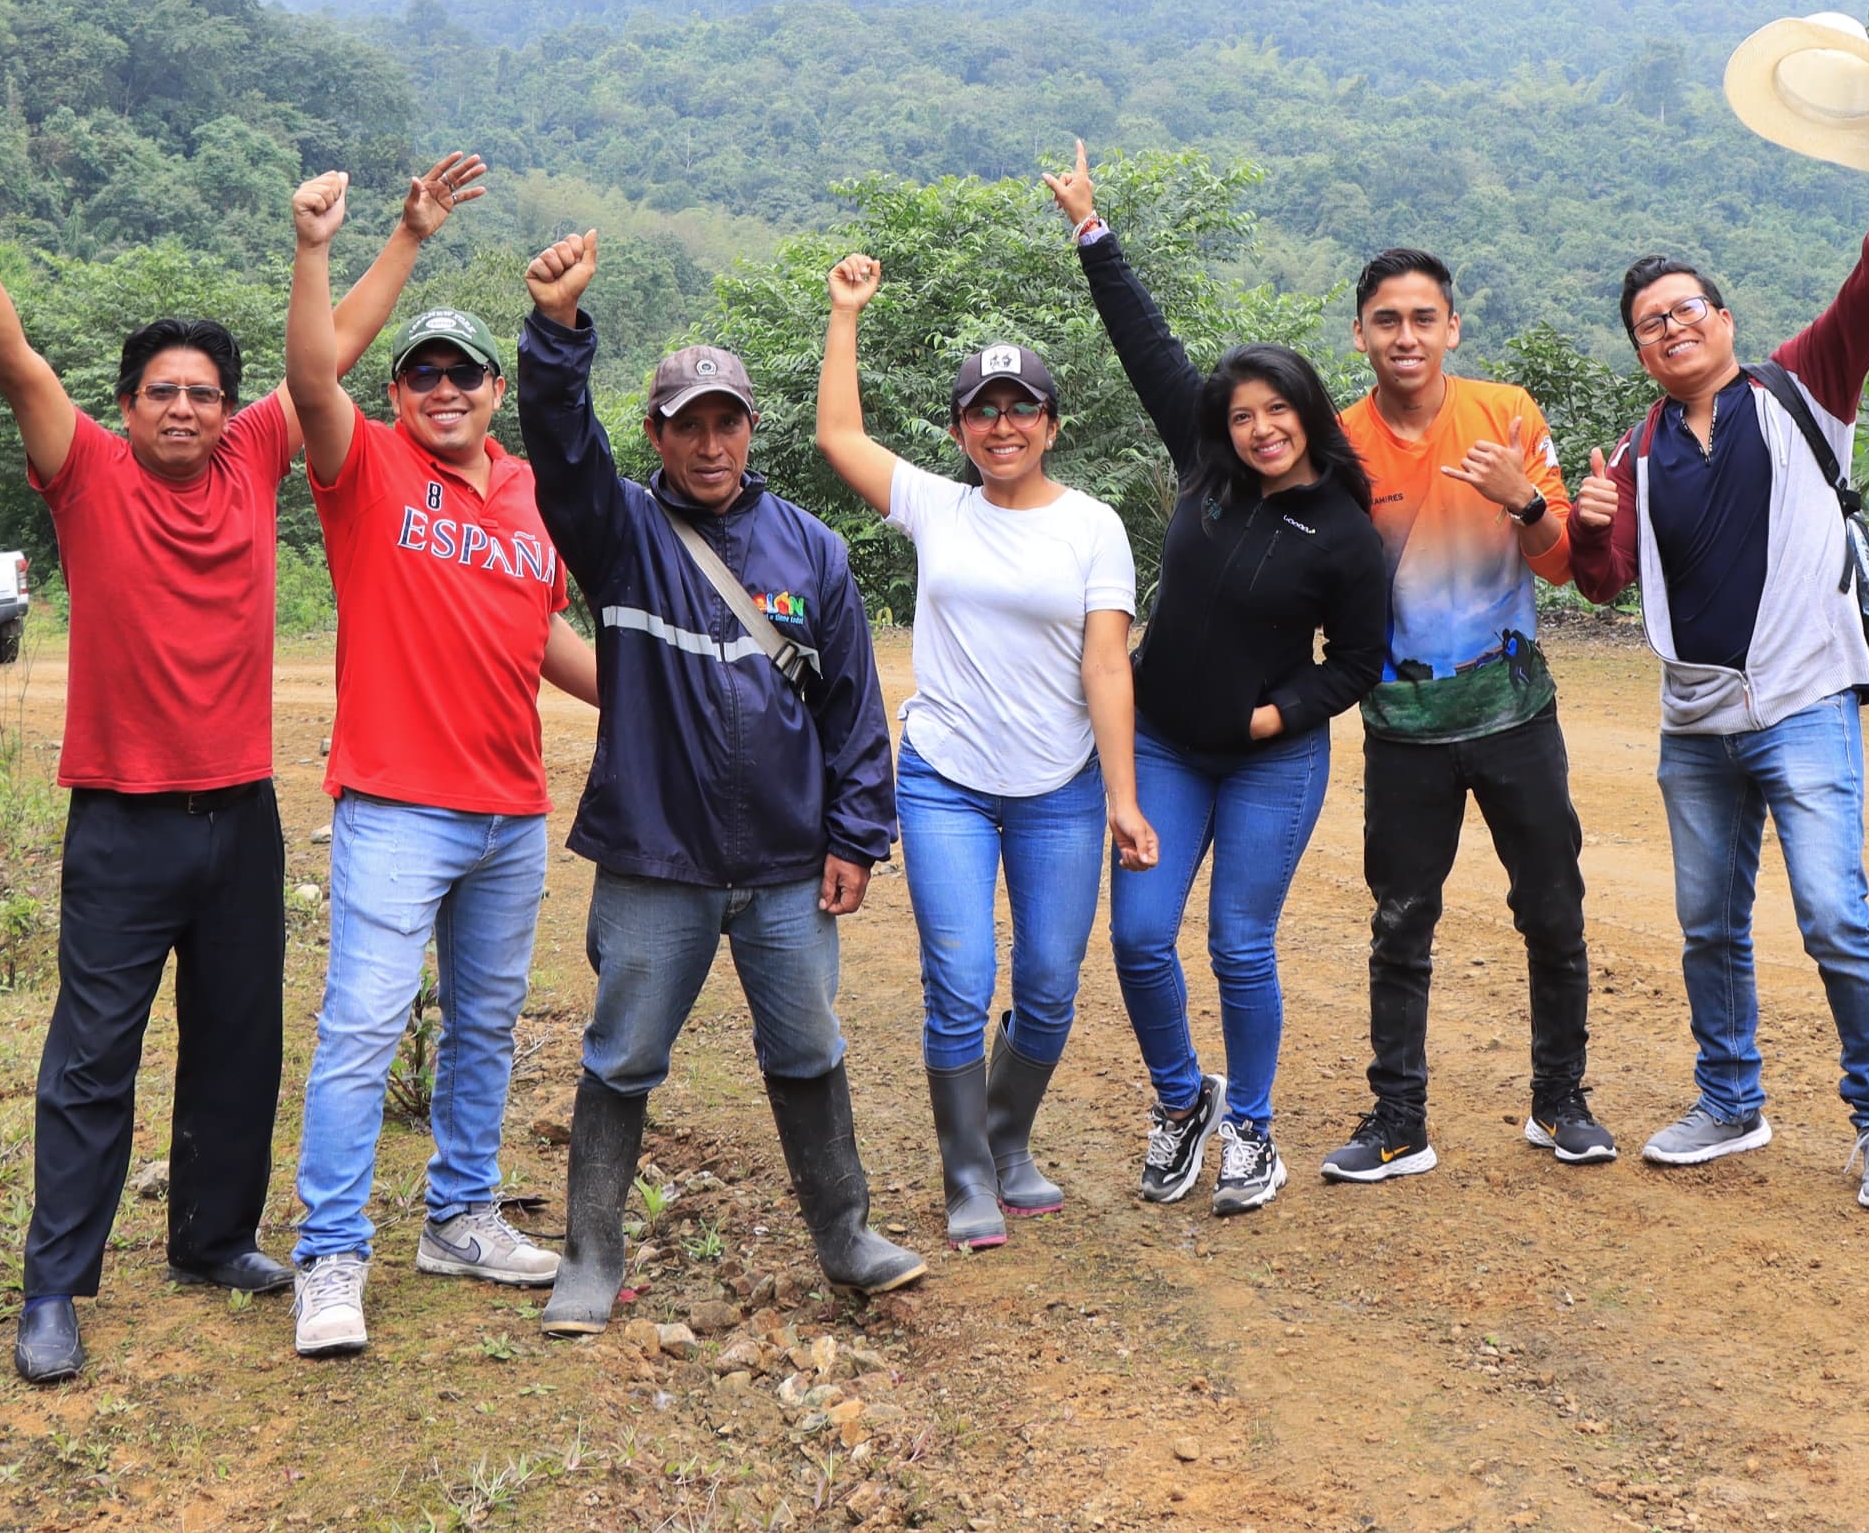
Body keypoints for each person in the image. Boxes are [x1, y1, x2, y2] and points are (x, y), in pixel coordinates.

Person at [0, 139, 486, 1387]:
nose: (185, 408)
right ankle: (54, 1285)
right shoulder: (85, 469)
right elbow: (16, 358)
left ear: (227, 408)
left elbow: (332, 353)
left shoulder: (256, 456)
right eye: (162, 390)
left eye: (205, 392)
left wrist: (404, 235)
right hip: (121, 819)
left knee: (238, 1038)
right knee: (92, 1056)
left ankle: (212, 1238)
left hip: (239, 815)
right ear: (127, 404)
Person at [512, 231, 924, 1331]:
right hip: (656, 857)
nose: (708, 443)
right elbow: (559, 446)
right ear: (655, 433)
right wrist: (556, 332)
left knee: (809, 1045)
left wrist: (857, 835)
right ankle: (590, 1259)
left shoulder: (812, 550)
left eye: (725, 421)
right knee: (623, 1054)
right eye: (686, 424)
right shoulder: (620, 532)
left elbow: (852, 707)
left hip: (788, 865)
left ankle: (846, 1236)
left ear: (750, 428)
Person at [1565, 151, 1869, 1212]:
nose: (1670, 327)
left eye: (1685, 309)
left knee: (1833, 916)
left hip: (1805, 699)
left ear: (1723, 319)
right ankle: (1730, 1100)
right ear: (1639, 352)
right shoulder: (1637, 449)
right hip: (1695, 720)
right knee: (1707, 925)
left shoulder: (1803, 383)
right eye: (1649, 323)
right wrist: (1581, 524)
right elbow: (1605, 582)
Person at [281, 179, 599, 1358]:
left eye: (465, 371)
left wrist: (661, 694)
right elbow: (310, 374)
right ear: (397, 393)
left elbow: (543, 636)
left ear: (495, 389)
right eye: (423, 373)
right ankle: (330, 1252)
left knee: (485, 1025)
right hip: (396, 806)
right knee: (362, 1028)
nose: (446, 387)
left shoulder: (526, 494)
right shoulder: (363, 465)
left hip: (510, 809)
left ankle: (461, 1216)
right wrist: (333, 246)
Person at [1046, 147, 1389, 1217]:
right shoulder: (1205, 470)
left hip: (1267, 761)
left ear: (1307, 412)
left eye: (1276, 410)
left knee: (1239, 944)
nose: (1260, 429)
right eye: (1242, 415)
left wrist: (1277, 713)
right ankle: (1181, 1099)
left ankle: (1251, 1127)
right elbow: (1145, 343)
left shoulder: (1346, 532)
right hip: (1161, 742)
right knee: (1139, 936)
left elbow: (1360, 664)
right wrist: (1092, 231)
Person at [814, 251, 1155, 1247]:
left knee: (1048, 983)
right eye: (982, 410)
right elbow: (839, 435)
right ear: (961, 428)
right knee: (960, 980)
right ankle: (966, 1171)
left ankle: (1006, 1141)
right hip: (945, 781)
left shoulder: (1093, 526)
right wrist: (845, 313)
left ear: (1050, 423)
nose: (1002, 425)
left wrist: (1124, 798)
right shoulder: (937, 505)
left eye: (1021, 408)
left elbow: (1107, 665)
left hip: (1060, 787)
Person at [1327, 243, 1605, 1182]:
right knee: (1401, 921)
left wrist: (1522, 500)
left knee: (1553, 909)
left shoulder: (1507, 413)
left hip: (1516, 714)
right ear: (1360, 334)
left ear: (1452, 327)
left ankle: (1560, 1102)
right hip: (1401, 726)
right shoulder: (1339, 443)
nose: (1405, 336)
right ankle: (1398, 1119)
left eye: (1423, 318)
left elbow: (1560, 563)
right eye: (1387, 320)